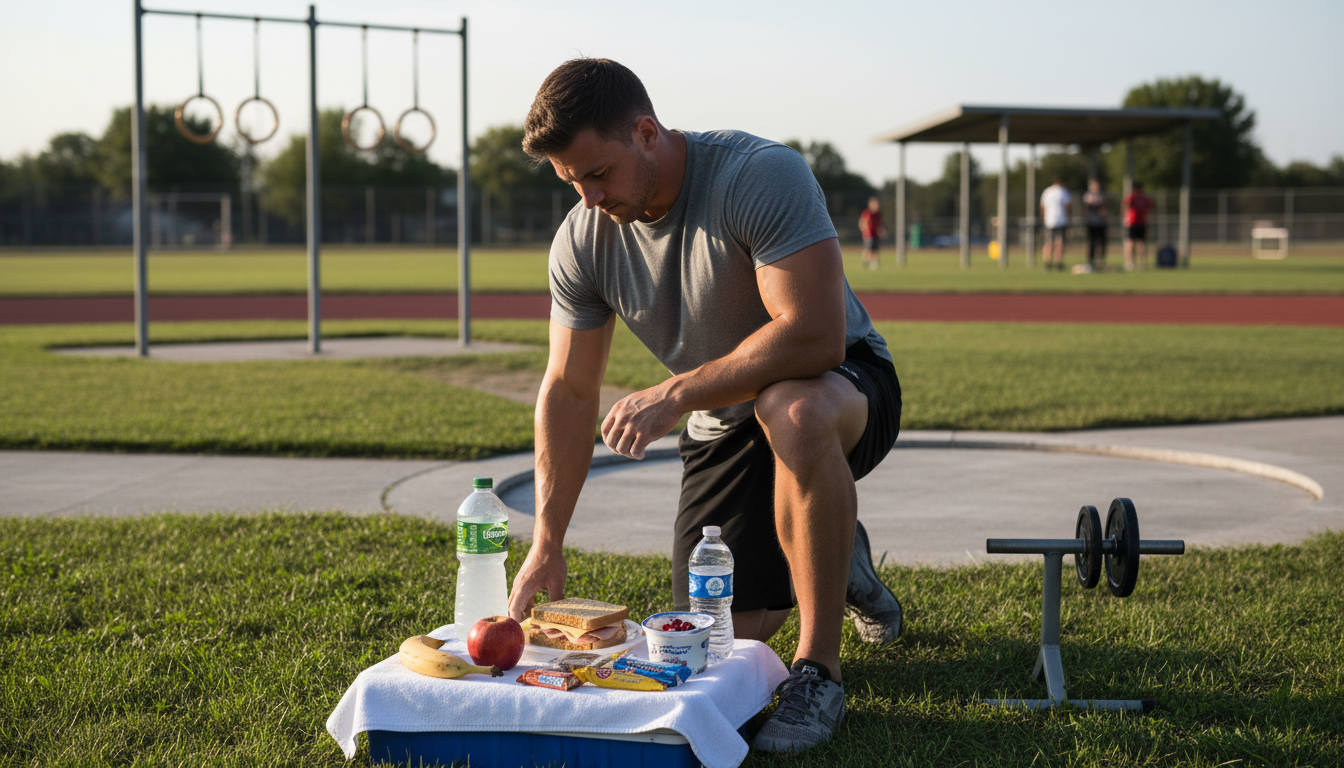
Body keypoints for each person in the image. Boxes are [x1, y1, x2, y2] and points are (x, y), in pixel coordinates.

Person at [506, 58, 904, 753]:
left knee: (794, 409)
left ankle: (820, 669)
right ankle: (843, 558)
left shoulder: (757, 175)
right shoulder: (583, 238)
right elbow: (569, 390)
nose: (589, 197)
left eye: (598, 173)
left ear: (646, 131)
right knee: (719, 638)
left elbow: (813, 334)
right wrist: (547, 540)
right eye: (571, 182)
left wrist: (676, 392)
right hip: (724, 417)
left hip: (842, 384)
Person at [1039, 177, 1071, 270]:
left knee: (1048, 242)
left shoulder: (1047, 192)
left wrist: (1044, 218)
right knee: (1059, 242)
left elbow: (1043, 207)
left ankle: (1047, 262)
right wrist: (1069, 219)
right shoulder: (1063, 192)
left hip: (1049, 221)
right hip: (1061, 220)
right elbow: (1067, 206)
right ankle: (1059, 262)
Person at [1123, 181, 1154, 271]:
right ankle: (1129, 262)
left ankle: (1143, 262)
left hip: (1141, 223)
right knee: (1130, 242)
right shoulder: (1131, 197)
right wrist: (1125, 217)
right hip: (1132, 222)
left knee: (1141, 243)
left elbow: (1150, 207)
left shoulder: (1144, 198)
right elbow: (1125, 205)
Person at [1082, 179, 1108, 271]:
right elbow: (1085, 210)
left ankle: (1101, 260)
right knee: (1091, 243)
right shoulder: (1087, 196)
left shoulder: (1102, 196)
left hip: (1101, 223)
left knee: (1102, 243)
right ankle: (1091, 261)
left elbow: (1105, 209)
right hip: (1091, 223)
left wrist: (1103, 210)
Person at [859, 196, 886, 270]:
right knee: (868, 248)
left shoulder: (878, 214)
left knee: (876, 249)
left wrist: (881, 231)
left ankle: (874, 262)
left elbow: (879, 225)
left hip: (875, 234)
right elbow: (863, 223)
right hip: (869, 235)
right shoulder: (867, 213)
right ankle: (865, 260)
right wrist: (865, 232)